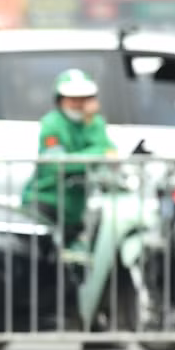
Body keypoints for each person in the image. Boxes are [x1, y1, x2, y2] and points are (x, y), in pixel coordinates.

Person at [20, 68, 116, 252]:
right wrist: (97, 154)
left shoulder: (94, 123)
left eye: (84, 99)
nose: (79, 104)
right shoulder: (52, 124)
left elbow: (110, 152)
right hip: (45, 204)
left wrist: (91, 126)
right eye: (73, 99)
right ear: (60, 99)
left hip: (74, 211)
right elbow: (59, 163)